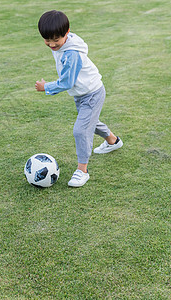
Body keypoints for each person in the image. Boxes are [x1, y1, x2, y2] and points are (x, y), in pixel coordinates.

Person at [35, 10, 123, 187]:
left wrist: (47, 87)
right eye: (47, 40)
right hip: (82, 94)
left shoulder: (72, 54)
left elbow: (67, 82)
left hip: (92, 93)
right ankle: (113, 141)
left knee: (81, 130)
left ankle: (82, 170)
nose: (51, 44)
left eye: (55, 40)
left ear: (67, 33)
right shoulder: (62, 43)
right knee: (91, 122)